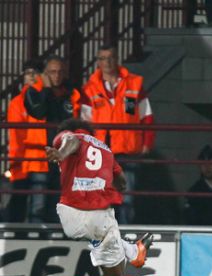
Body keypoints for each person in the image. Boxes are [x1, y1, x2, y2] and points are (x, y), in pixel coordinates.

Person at [45, 118, 153, 276]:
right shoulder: (106, 150)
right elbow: (121, 181)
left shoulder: (70, 135)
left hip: (70, 216)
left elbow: (70, 140)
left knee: (104, 242)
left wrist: (60, 153)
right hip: (99, 218)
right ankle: (133, 251)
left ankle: (133, 250)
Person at [81, 44, 155, 224]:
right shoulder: (89, 89)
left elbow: (147, 116)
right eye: (103, 58)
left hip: (128, 151)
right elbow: (84, 124)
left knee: (127, 198)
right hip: (101, 153)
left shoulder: (134, 83)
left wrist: (147, 143)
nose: (107, 62)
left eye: (110, 57)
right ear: (97, 62)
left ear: (117, 59)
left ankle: (124, 235)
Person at [23, 55, 82, 222]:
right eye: (52, 72)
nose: (56, 76)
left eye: (60, 72)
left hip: (64, 156)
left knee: (62, 201)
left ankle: (57, 236)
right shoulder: (33, 91)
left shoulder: (71, 93)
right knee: (38, 203)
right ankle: (36, 237)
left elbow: (73, 120)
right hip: (40, 156)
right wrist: (47, 89)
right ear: (45, 74)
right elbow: (40, 112)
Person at [4, 60, 49, 223]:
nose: (31, 76)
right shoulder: (17, 102)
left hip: (37, 159)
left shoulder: (43, 97)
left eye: (35, 72)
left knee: (37, 204)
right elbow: (16, 135)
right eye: (28, 72)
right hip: (24, 159)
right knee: (22, 202)